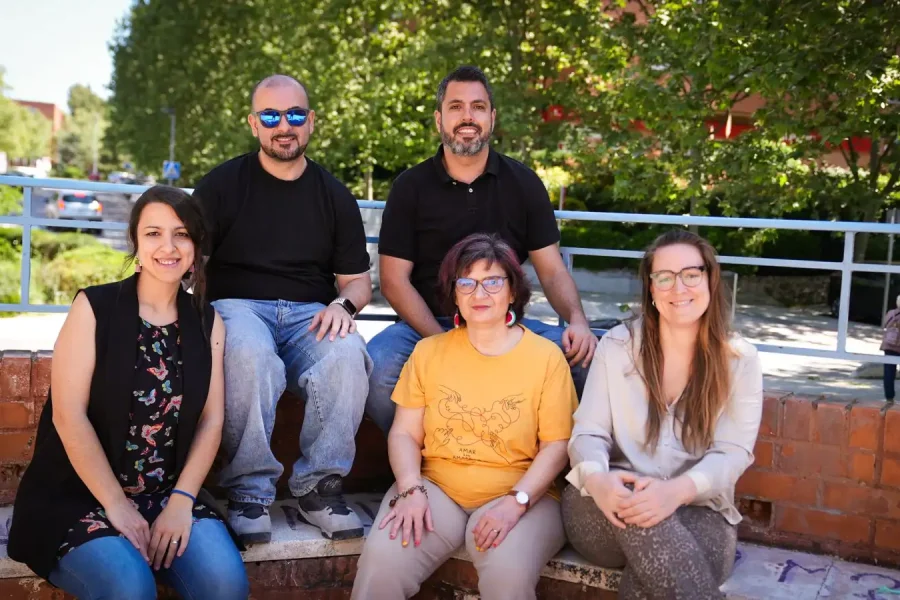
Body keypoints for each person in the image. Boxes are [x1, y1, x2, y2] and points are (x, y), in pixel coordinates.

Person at [8, 186, 248, 600]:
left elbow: (212, 419)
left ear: (196, 245)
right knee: (129, 586)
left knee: (225, 584)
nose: (168, 247)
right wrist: (117, 506)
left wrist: (182, 501)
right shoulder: (94, 308)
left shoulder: (208, 322)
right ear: (136, 242)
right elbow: (69, 415)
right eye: (153, 233)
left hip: (167, 494)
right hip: (79, 496)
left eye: (182, 234)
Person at [366, 65, 597, 435]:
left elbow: (552, 271)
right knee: (376, 367)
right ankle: (431, 459)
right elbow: (394, 281)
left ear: (492, 117)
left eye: (478, 106)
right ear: (439, 119)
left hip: (507, 324)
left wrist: (578, 321)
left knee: (586, 359)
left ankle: (550, 469)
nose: (467, 116)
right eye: (456, 107)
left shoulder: (524, 183)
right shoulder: (410, 186)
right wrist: (443, 344)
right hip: (428, 326)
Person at [193, 74, 373, 544]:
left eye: (294, 115)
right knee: (248, 354)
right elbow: (189, 262)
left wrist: (343, 304)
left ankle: (320, 487)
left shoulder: (334, 195)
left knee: (347, 354)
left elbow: (358, 281)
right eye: (270, 116)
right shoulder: (221, 185)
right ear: (254, 124)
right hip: (237, 308)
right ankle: (249, 491)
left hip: (309, 314)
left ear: (310, 122)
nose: (283, 126)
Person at [352, 233, 578, 600]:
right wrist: (411, 489)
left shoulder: (545, 358)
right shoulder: (429, 352)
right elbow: (404, 434)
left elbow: (557, 444)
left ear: (512, 292)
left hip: (522, 494)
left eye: (492, 281)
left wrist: (516, 503)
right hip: (436, 489)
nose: (479, 293)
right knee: (381, 563)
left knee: (508, 574)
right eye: (466, 282)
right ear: (454, 293)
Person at [561, 230, 763, 600]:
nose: (678, 287)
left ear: (709, 279)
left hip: (701, 512)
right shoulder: (619, 346)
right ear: (651, 289)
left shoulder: (739, 360)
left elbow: (733, 452)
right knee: (643, 519)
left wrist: (675, 492)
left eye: (691, 274)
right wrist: (599, 479)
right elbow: (588, 434)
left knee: (653, 571)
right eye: (664, 277)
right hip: (602, 504)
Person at [881, 294, 900, 402]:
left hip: (888, 345)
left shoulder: (890, 313)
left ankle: (889, 397)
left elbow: (884, 325)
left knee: (889, 372)